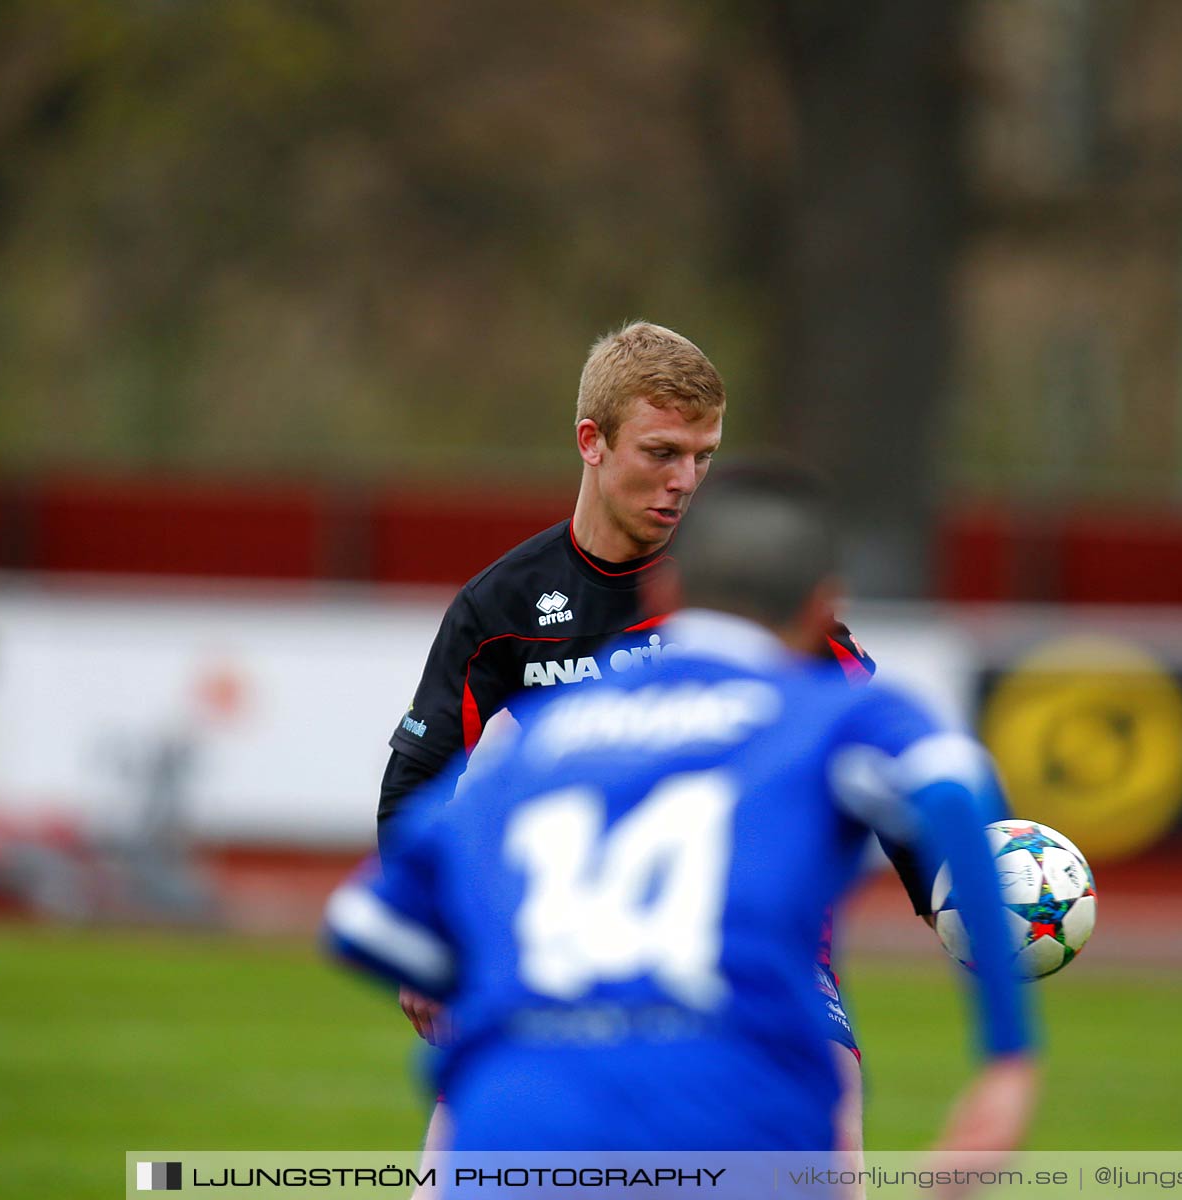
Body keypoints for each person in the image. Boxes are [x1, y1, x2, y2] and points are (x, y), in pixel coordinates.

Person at [329, 467, 1037, 1151]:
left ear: (667, 588)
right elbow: (952, 787)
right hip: (730, 1103)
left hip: (522, 1115)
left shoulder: (543, 740)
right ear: (823, 607)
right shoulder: (822, 713)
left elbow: (365, 924)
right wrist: (1005, 1056)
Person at [377, 322, 925, 1151]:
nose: (685, 482)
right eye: (663, 453)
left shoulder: (741, 591)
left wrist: (945, 893)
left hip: (749, 937)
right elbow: (421, 773)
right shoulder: (504, 609)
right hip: (571, 931)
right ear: (591, 442)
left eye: (702, 458)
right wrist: (431, 941)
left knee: (832, 1144)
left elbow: (878, 755)